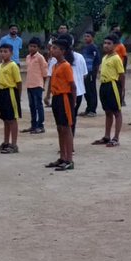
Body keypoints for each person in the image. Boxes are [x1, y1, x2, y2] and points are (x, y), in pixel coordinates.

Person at [45, 39, 76, 171]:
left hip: (64, 98)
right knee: (60, 128)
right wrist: (48, 96)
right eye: (52, 48)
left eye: (55, 48)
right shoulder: (55, 65)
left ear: (63, 51)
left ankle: (69, 159)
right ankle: (62, 157)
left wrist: (72, 103)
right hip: (56, 98)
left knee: (66, 128)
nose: (52, 50)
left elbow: (72, 86)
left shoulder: (66, 66)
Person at [94, 34, 125, 148]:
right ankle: (107, 136)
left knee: (117, 111)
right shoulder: (105, 57)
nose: (106, 45)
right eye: (105, 43)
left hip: (113, 85)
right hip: (104, 85)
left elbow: (121, 75)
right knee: (107, 111)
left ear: (115, 45)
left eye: (109, 43)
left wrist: (122, 89)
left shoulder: (116, 58)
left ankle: (116, 138)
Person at [0, 43, 22, 154]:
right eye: (1, 51)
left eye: (5, 51)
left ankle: (14, 145)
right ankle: (6, 142)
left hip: (11, 92)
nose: (3, 54)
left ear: (11, 53)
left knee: (12, 119)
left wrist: (18, 96)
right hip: (2, 92)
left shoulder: (13, 65)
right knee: (5, 119)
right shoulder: (1, 65)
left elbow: (19, 82)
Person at [23, 39, 47, 134]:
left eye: (34, 46)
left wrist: (43, 84)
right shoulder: (28, 57)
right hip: (29, 84)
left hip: (37, 85)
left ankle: (40, 126)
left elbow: (44, 73)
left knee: (38, 106)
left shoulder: (40, 58)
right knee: (32, 106)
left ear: (38, 48)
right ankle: (33, 125)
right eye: (30, 46)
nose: (32, 48)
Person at [81, 31, 100, 116]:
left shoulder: (94, 48)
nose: (86, 38)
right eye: (85, 36)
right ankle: (88, 109)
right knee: (86, 91)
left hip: (91, 72)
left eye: (88, 36)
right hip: (85, 72)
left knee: (92, 90)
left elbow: (97, 61)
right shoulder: (85, 48)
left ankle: (93, 110)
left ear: (92, 38)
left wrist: (95, 73)